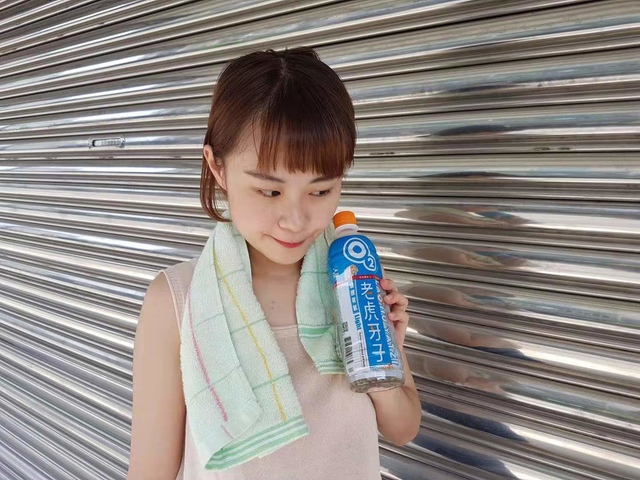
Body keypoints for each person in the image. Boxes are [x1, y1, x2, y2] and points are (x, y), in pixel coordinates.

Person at [127, 46, 421, 480]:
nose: (296, 219)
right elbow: (151, 471)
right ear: (218, 167)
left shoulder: (351, 281)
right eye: (270, 191)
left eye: (320, 191)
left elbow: (403, 428)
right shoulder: (177, 300)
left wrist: (380, 359)